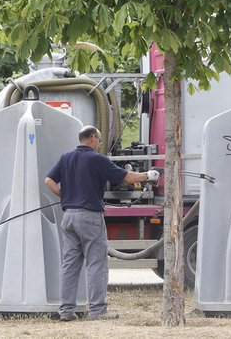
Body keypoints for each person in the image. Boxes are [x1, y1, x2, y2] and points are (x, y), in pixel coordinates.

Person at [45, 125, 159, 321]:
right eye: (98, 139)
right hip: (90, 217)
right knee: (96, 264)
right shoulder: (97, 159)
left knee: (69, 265)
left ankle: (66, 311)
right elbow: (128, 177)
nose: (99, 144)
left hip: (69, 217)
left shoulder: (66, 157)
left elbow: (48, 180)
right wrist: (149, 176)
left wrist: (67, 197)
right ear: (91, 138)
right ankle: (97, 311)